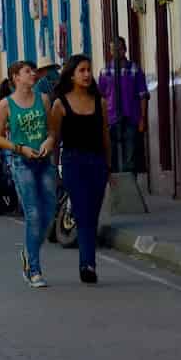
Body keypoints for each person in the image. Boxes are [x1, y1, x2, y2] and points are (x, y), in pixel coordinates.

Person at [0, 60, 58, 288]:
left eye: (33, 71)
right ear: (15, 77)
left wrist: (50, 141)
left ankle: (28, 253)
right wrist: (20, 148)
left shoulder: (43, 100)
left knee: (49, 213)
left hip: (44, 160)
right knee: (33, 214)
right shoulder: (6, 104)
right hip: (21, 162)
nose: (32, 74)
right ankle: (34, 270)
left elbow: (51, 129)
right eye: (27, 71)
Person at [55, 52, 112, 284]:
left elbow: (105, 136)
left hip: (97, 163)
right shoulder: (60, 104)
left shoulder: (100, 102)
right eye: (82, 70)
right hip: (73, 163)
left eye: (89, 70)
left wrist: (109, 166)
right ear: (71, 75)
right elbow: (54, 137)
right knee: (82, 213)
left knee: (92, 214)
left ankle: (87, 262)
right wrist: (53, 171)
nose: (87, 75)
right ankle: (87, 264)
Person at [99, 36, 149, 174]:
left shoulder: (134, 69)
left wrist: (142, 118)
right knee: (112, 155)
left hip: (131, 118)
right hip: (111, 119)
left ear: (125, 49)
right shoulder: (105, 71)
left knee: (130, 155)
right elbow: (101, 97)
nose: (116, 51)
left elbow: (143, 95)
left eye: (119, 48)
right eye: (113, 49)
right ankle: (117, 187)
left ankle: (130, 187)